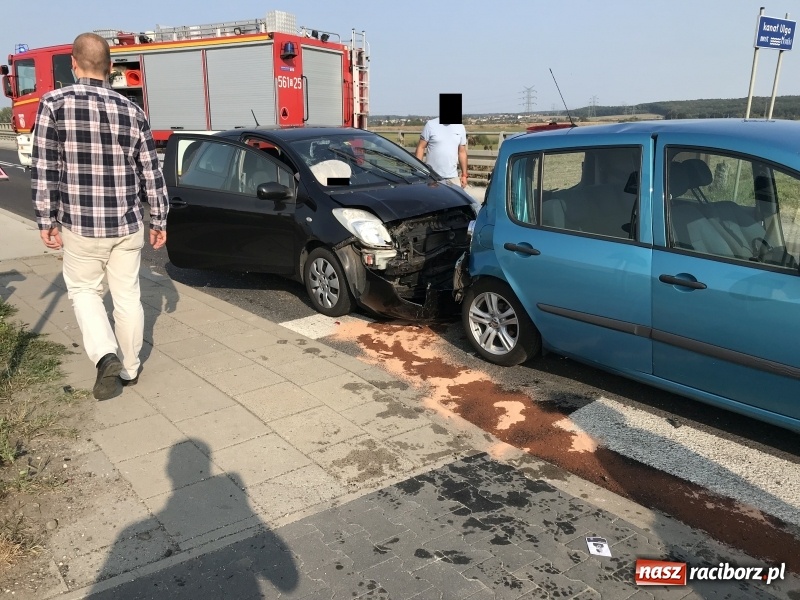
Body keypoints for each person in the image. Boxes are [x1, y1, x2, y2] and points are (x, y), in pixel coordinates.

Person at [31, 32, 169, 400]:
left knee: (84, 291)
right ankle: (130, 366)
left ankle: (105, 354)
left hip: (81, 225)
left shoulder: (53, 104)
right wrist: (159, 220)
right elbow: (150, 172)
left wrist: (46, 220)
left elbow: (44, 169)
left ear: (74, 64)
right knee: (127, 296)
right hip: (126, 225)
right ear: (111, 68)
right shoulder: (133, 111)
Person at [415, 117, 468, 188]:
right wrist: (418, 170)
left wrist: (464, 175)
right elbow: (420, 147)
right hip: (432, 177)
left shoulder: (460, 127)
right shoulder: (431, 125)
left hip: (453, 178)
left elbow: (462, 152)